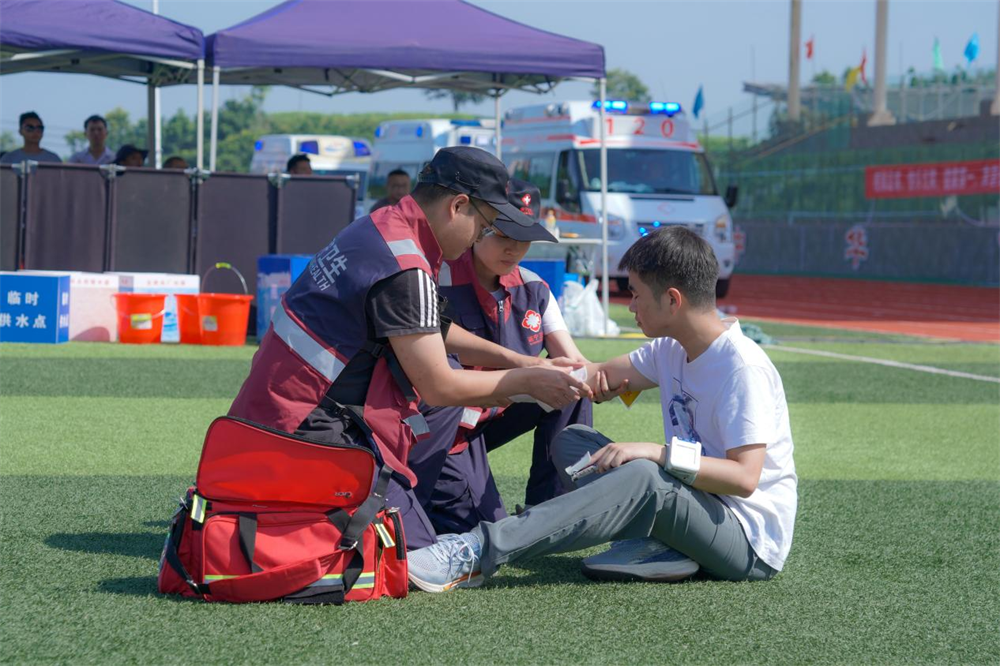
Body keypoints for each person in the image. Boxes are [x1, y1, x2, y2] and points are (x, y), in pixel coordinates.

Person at [227, 146, 593, 549]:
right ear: (458, 206)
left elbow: (429, 327)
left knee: (431, 533)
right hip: (310, 434)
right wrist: (526, 379)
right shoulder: (406, 264)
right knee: (423, 560)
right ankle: (401, 503)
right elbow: (439, 385)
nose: (479, 237)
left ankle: (411, 497)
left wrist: (518, 360)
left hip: (277, 420)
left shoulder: (381, 229)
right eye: (484, 224)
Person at [407, 225, 798, 591]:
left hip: (746, 538)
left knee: (645, 474)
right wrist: (533, 374)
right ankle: (666, 544)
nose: (631, 307)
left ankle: (476, 550)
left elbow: (744, 477)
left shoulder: (741, 367)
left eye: (636, 295)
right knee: (574, 443)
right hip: (694, 503)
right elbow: (597, 376)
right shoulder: (670, 348)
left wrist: (657, 453)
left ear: (672, 300)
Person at [409, 178, 592, 544]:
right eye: (504, 235)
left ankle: (553, 509)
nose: (514, 248)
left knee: (573, 386)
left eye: (524, 238)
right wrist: (525, 365)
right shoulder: (434, 277)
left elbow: (573, 359)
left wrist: (626, 373)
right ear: (480, 226)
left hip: (495, 411)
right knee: (486, 533)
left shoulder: (534, 287)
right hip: (445, 420)